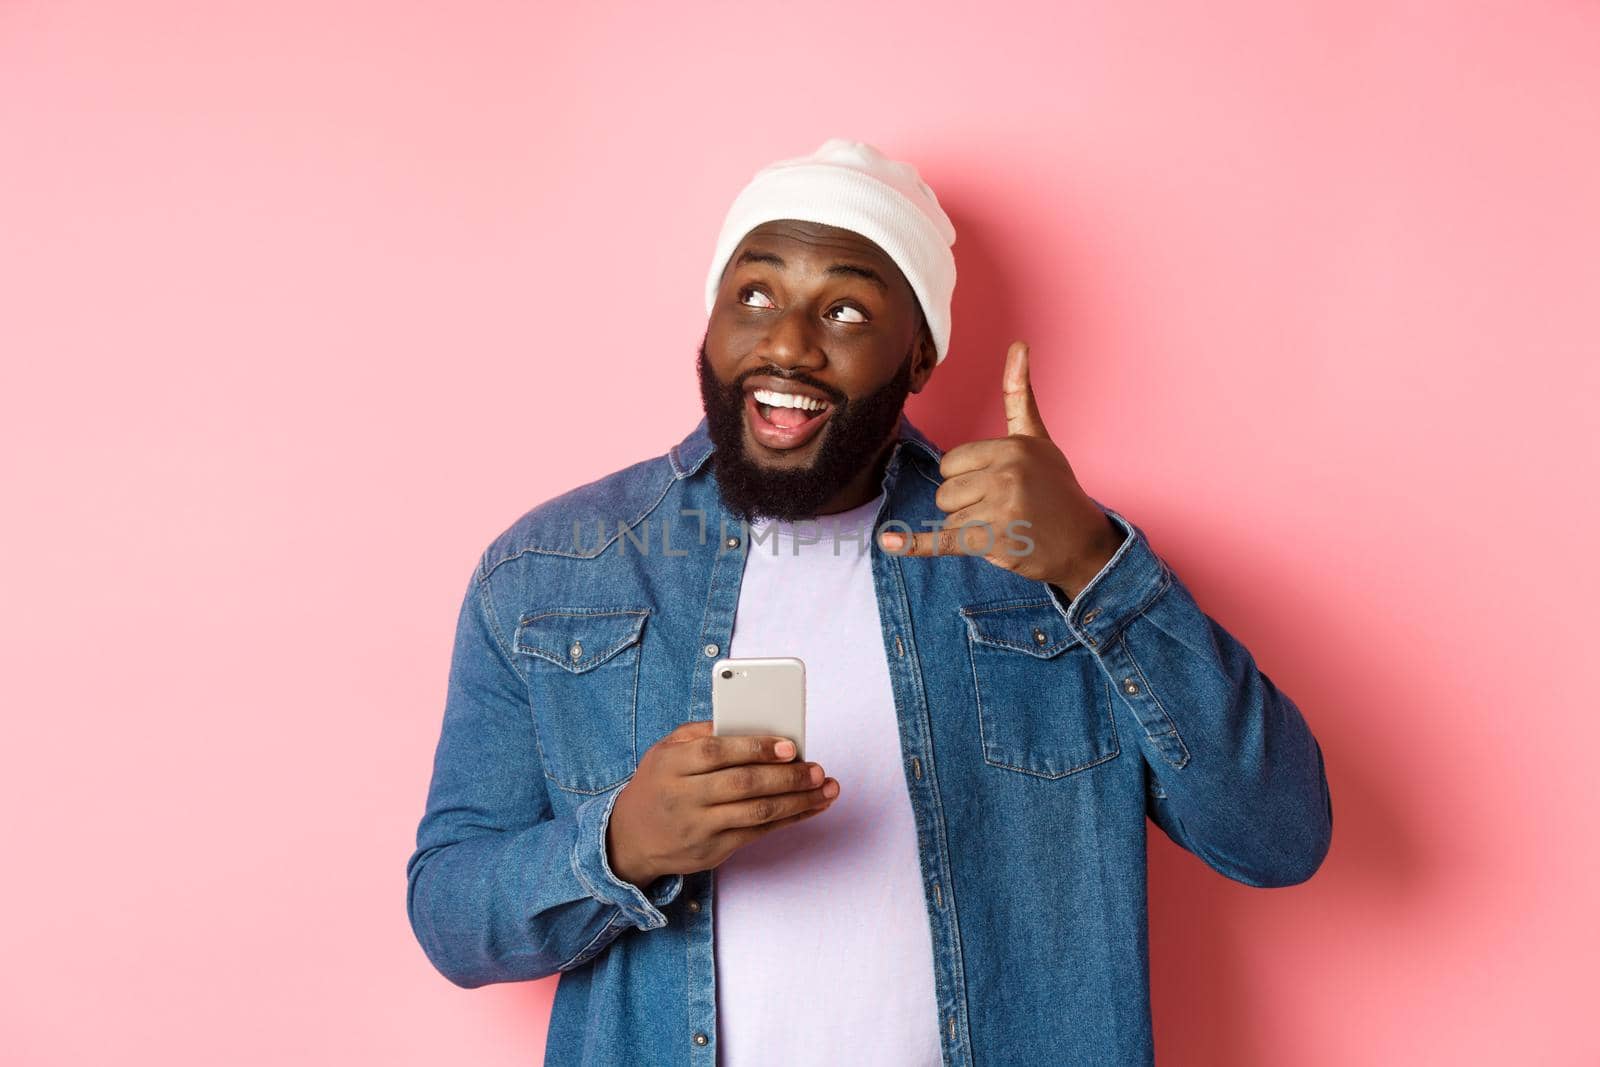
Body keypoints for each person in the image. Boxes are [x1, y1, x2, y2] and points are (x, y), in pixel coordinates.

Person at [405, 138, 1333, 1066]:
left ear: (920, 353)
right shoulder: (556, 568)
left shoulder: (1045, 554)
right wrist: (622, 843)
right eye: (755, 295)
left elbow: (1278, 836)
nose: (787, 344)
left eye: (845, 309)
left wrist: (1096, 564)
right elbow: (451, 914)